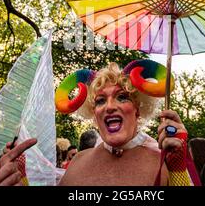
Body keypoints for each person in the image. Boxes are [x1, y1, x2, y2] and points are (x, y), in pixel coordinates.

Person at [58, 61, 194, 186]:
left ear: (138, 110)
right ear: (94, 113)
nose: (109, 107)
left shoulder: (163, 162)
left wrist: (177, 170)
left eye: (122, 97)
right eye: (100, 101)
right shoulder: (77, 163)